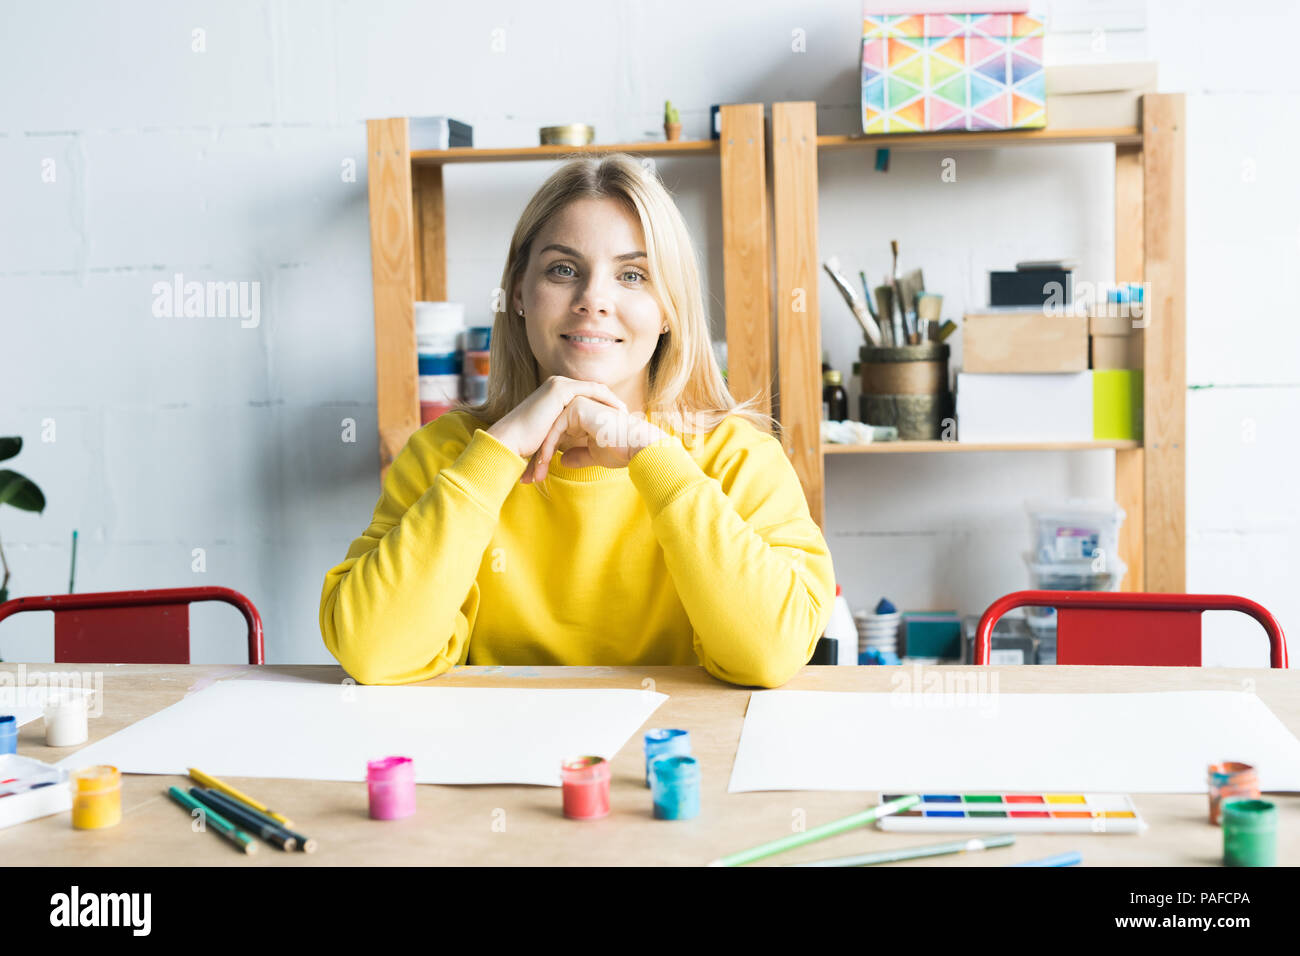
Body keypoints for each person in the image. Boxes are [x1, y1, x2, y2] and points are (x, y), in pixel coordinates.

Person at [319, 153, 835, 687]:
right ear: (518, 292)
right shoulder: (447, 454)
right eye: (564, 270)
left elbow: (771, 655)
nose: (593, 300)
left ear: (669, 310)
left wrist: (651, 459)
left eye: (632, 275)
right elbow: (373, 651)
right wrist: (495, 455)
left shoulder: (738, 459)